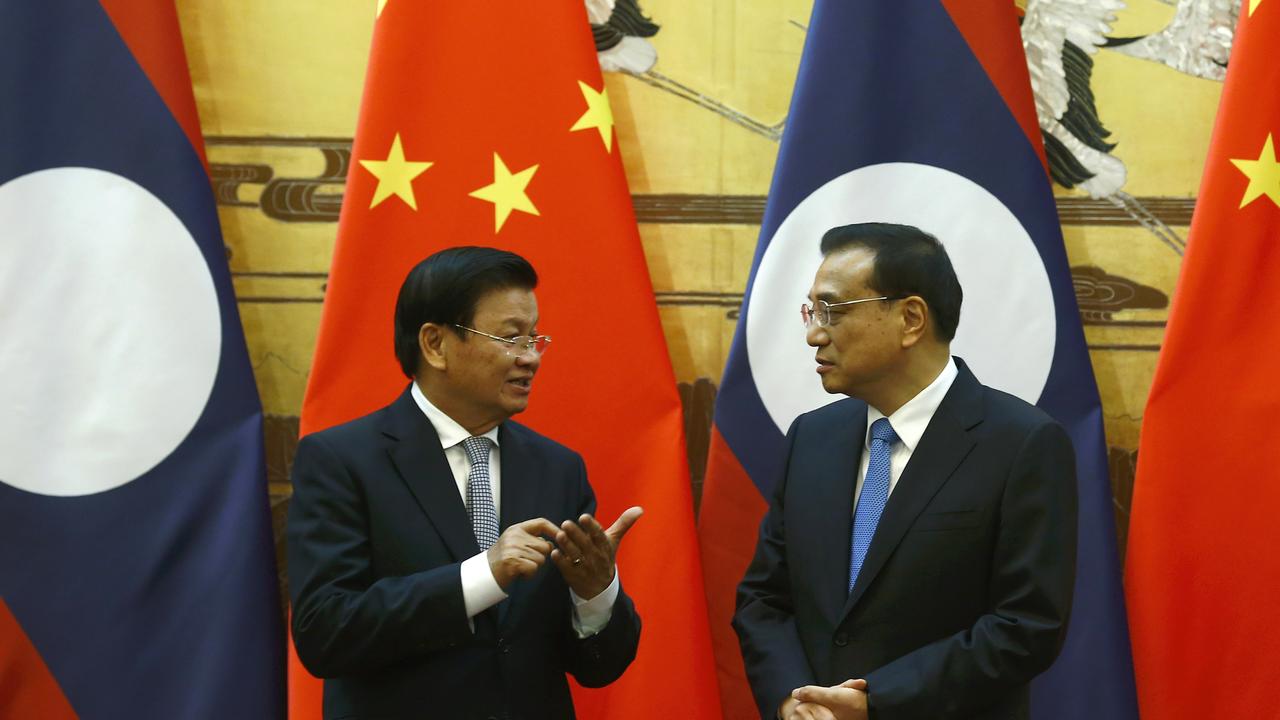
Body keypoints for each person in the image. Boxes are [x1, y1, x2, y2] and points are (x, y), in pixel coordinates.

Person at [733, 223, 1077, 720]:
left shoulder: (1022, 443)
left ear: (911, 318)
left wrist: (877, 701)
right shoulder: (812, 438)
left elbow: (1026, 626)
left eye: (831, 309)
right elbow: (764, 598)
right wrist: (793, 699)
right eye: (811, 311)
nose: (814, 333)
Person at [288, 246, 643, 719]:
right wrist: (482, 576)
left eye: (535, 339)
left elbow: (598, 669)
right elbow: (324, 633)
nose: (531, 359)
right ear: (435, 344)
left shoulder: (557, 468)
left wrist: (596, 593)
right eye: (511, 338)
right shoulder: (342, 460)